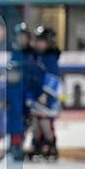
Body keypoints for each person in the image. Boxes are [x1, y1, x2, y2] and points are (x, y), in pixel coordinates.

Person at [0, 22, 33, 163]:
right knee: (2, 122)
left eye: (24, 36)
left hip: (22, 98)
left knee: (21, 124)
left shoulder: (31, 54)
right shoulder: (14, 52)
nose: (22, 39)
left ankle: (17, 146)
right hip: (11, 101)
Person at [25, 26, 60, 160]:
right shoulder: (37, 56)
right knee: (35, 122)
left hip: (45, 98)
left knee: (46, 122)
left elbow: (52, 78)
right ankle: (37, 144)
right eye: (38, 41)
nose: (39, 44)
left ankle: (51, 144)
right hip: (36, 96)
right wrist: (31, 94)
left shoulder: (50, 58)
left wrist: (46, 94)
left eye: (42, 41)